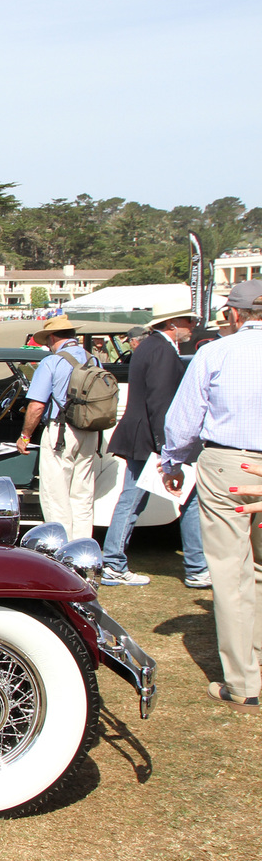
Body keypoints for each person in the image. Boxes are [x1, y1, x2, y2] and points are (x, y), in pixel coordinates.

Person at [160, 279, 262, 713]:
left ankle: (243, 681)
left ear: (235, 316)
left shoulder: (217, 352)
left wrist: (172, 461)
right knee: (255, 569)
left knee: (231, 570)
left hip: (231, 465)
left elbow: (185, 420)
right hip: (240, 463)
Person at [100, 307, 208, 587]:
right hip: (152, 439)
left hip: (146, 437)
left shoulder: (152, 347)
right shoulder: (161, 350)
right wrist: (168, 447)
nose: (193, 326)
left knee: (137, 500)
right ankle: (194, 567)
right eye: (189, 321)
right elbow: (161, 402)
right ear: (172, 323)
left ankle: (115, 561)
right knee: (170, 498)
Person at [16, 317, 99, 541]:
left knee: (56, 493)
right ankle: (82, 547)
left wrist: (25, 436)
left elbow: (37, 405)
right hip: (90, 429)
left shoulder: (52, 362)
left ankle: (61, 547)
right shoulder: (93, 360)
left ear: (52, 337)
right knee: (82, 493)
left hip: (61, 429)